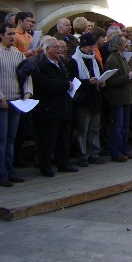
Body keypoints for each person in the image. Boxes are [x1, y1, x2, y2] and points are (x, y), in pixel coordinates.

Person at [0, 23, 33, 187]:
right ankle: (1, 173)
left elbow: (26, 75)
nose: (12, 36)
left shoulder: (18, 54)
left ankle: (10, 171)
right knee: (1, 139)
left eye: (14, 34)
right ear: (1, 35)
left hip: (16, 100)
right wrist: (0, 97)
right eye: (9, 34)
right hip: (0, 102)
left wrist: (27, 92)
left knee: (11, 139)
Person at [32, 36, 79, 175]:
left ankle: (63, 163)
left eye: (60, 47)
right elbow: (45, 83)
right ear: (47, 49)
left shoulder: (60, 62)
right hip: (49, 108)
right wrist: (65, 84)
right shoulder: (40, 64)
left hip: (63, 106)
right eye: (56, 47)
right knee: (47, 140)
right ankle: (45, 167)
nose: (60, 50)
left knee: (63, 139)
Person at [68, 32, 106, 165]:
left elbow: (100, 74)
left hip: (95, 97)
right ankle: (83, 154)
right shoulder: (75, 60)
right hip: (83, 99)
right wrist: (87, 82)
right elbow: (73, 81)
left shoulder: (94, 59)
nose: (91, 49)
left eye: (92, 46)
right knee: (82, 129)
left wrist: (101, 82)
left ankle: (94, 153)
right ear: (83, 46)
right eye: (89, 46)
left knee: (95, 128)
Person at [103, 35, 132, 161]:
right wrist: (128, 76)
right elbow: (111, 81)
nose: (127, 44)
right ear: (119, 45)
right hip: (118, 98)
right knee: (118, 126)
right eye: (124, 42)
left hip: (126, 96)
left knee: (125, 125)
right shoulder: (112, 59)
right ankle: (116, 151)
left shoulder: (122, 58)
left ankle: (124, 148)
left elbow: (127, 75)